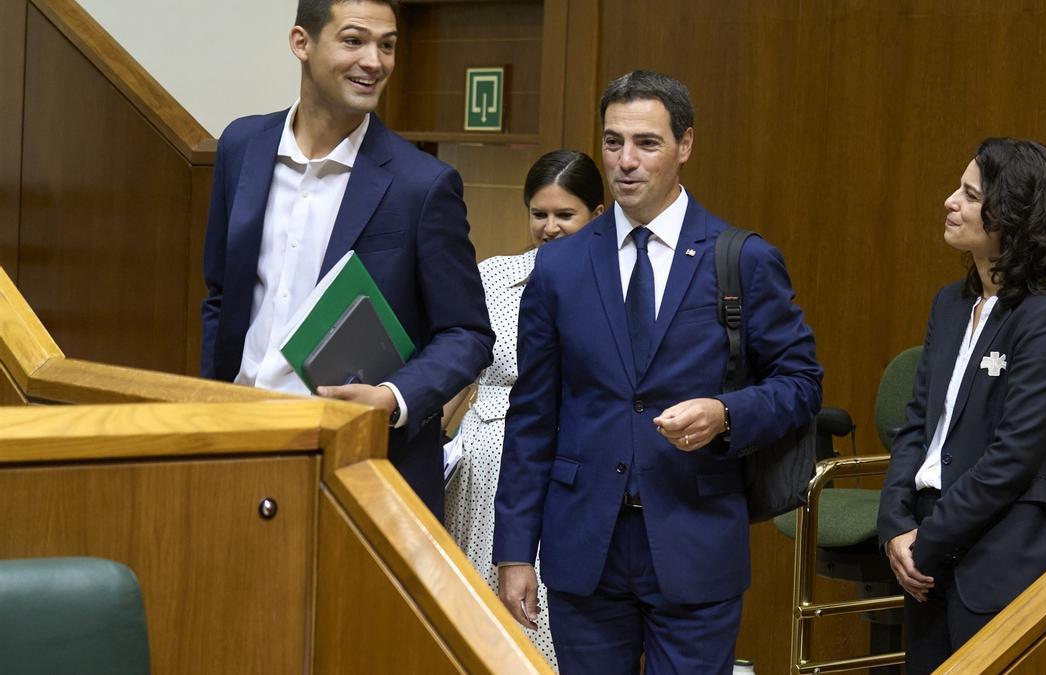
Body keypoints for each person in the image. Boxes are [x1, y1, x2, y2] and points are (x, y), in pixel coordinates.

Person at [492, 70, 823, 674]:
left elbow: (800, 382)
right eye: (613, 142)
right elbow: (533, 414)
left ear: (685, 146)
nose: (625, 161)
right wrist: (515, 550)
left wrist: (727, 413)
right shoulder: (559, 268)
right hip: (583, 545)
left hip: (694, 538)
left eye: (646, 143)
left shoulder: (740, 259)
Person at [200, 0, 493, 520]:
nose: (375, 61)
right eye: (354, 40)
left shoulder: (421, 185)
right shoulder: (241, 146)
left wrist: (392, 397)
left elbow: (468, 335)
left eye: (387, 44)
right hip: (239, 441)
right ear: (302, 43)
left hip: (358, 460)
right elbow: (221, 296)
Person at [877, 137, 1046, 673]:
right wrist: (894, 525)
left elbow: (1012, 458)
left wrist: (927, 540)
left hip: (999, 555)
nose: (951, 202)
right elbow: (919, 427)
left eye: (970, 195)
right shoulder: (950, 304)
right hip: (926, 549)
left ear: (1014, 218)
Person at [443, 149, 605, 669]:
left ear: (597, 217)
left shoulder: (610, 288)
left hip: (562, 471)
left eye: (565, 215)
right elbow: (457, 371)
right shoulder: (494, 276)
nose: (550, 228)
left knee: (550, 620)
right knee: (478, 616)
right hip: (481, 470)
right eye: (540, 215)